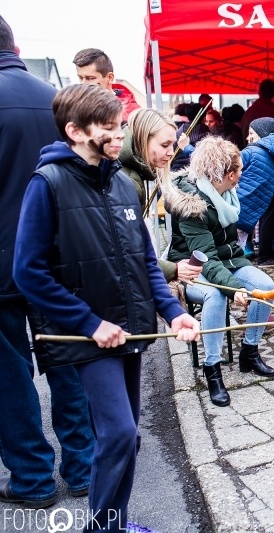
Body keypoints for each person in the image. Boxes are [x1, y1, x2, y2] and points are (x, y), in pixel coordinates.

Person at [13, 83, 200, 531]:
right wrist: (90, 322)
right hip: (86, 336)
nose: (120, 136)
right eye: (109, 129)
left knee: (126, 438)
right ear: (75, 131)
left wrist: (173, 313)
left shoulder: (119, 182)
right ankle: (100, 528)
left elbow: (143, 264)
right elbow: (28, 272)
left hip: (129, 329)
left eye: (120, 126)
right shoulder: (47, 184)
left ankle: (115, 522)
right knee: (116, 433)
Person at [0, 15, 94, 510]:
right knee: (66, 363)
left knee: (9, 373)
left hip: (2, 264)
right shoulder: (55, 98)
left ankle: (33, 478)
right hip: (58, 258)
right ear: (14, 43)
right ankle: (81, 467)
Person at [164, 137, 274, 407]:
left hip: (227, 261)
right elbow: (206, 260)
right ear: (228, 174)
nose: (242, 174)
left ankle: (249, 352)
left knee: (264, 285)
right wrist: (234, 288)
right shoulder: (191, 204)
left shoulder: (226, 194)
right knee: (215, 296)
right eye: (239, 170)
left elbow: (228, 249)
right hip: (191, 268)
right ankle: (212, 367)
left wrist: (242, 281)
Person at [119, 108, 201, 284]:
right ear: (143, 140)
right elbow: (127, 251)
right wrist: (174, 269)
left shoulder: (131, 175)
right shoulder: (129, 182)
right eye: (165, 145)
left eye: (172, 145)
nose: (172, 152)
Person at [235, 117, 274, 263]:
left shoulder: (251, 152)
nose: (248, 138)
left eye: (252, 134)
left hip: (236, 214)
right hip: (246, 217)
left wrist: (188, 149)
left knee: (227, 257)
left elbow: (219, 165)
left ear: (263, 134)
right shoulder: (273, 156)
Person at [72, 48, 140, 123]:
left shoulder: (133, 113)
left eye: (90, 78)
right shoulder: (76, 109)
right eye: (80, 78)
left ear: (110, 78)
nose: (83, 83)